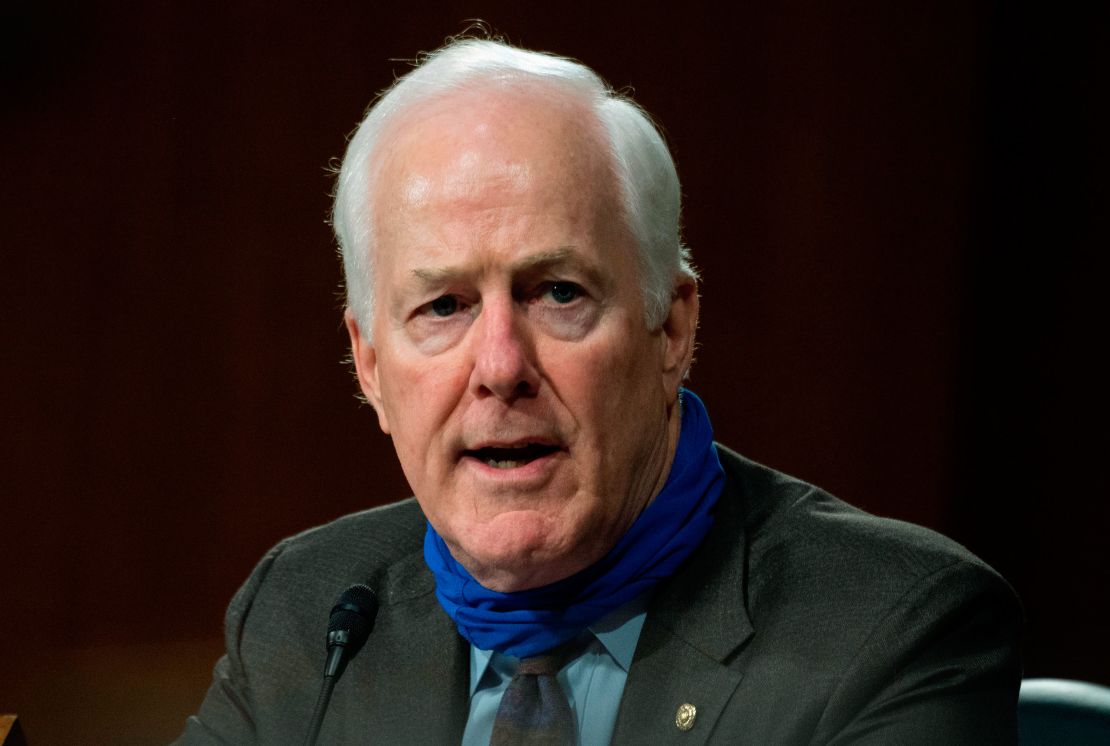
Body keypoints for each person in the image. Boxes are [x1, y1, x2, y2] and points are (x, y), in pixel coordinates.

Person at [177, 38, 1021, 745]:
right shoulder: (308, 614)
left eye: (558, 293)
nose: (501, 366)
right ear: (368, 366)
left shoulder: (890, 632)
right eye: (443, 307)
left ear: (672, 329)